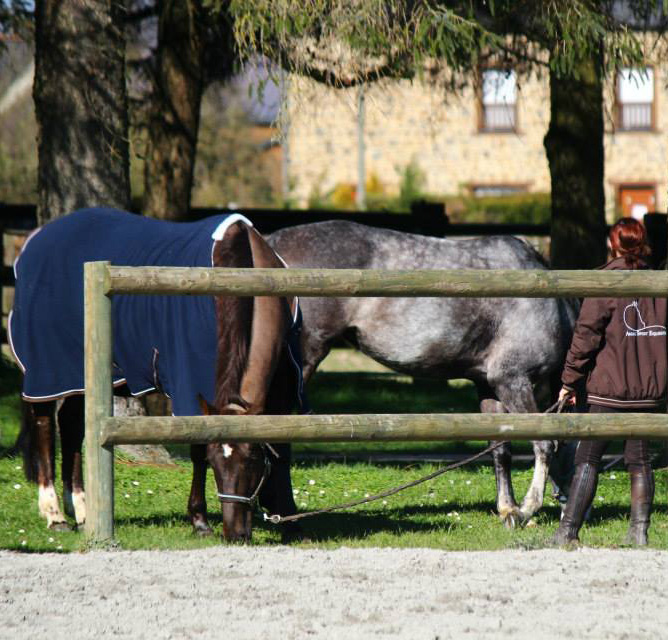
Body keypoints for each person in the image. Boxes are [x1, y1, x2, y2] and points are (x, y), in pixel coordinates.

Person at [551, 217, 667, 546]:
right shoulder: (659, 282)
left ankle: (568, 531)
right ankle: (639, 533)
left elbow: (585, 337)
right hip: (650, 391)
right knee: (640, 460)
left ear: (613, 244)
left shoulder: (606, 284)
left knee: (587, 458)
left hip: (608, 390)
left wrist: (569, 381)